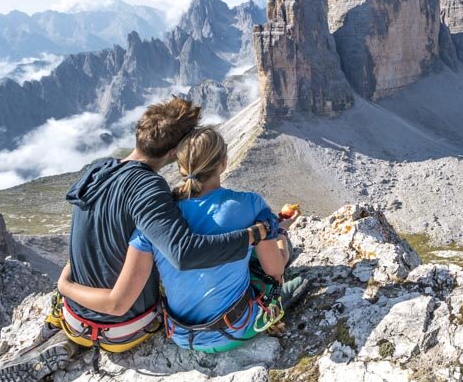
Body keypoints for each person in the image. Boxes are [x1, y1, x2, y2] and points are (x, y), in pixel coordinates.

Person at [0, 98, 279, 382]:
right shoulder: (149, 188)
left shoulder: (97, 170)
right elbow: (184, 253)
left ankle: (58, 333)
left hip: (72, 310)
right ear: (174, 152)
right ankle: (79, 338)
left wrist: (65, 285)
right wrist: (256, 233)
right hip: (123, 329)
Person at [56, 126, 308, 353]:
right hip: (235, 330)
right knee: (272, 264)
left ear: (181, 166)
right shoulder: (250, 203)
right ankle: (277, 304)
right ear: (223, 163)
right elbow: (275, 267)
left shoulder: (157, 218)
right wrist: (281, 233)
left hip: (181, 336)